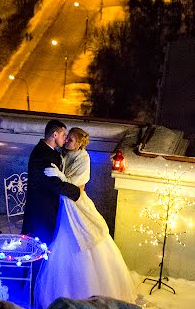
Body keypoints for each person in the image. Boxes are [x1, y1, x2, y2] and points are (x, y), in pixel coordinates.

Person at [34, 127, 135, 309]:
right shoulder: (62, 153)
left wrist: (59, 175)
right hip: (62, 204)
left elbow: (75, 187)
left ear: (80, 143)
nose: (66, 142)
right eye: (67, 138)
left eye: (71, 139)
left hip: (76, 204)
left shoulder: (83, 158)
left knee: (82, 239)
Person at [21, 119, 81, 245]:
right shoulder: (43, 155)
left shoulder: (48, 151)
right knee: (40, 248)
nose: (65, 139)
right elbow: (54, 184)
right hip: (41, 212)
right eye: (63, 135)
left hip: (45, 210)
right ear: (55, 135)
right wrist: (76, 192)